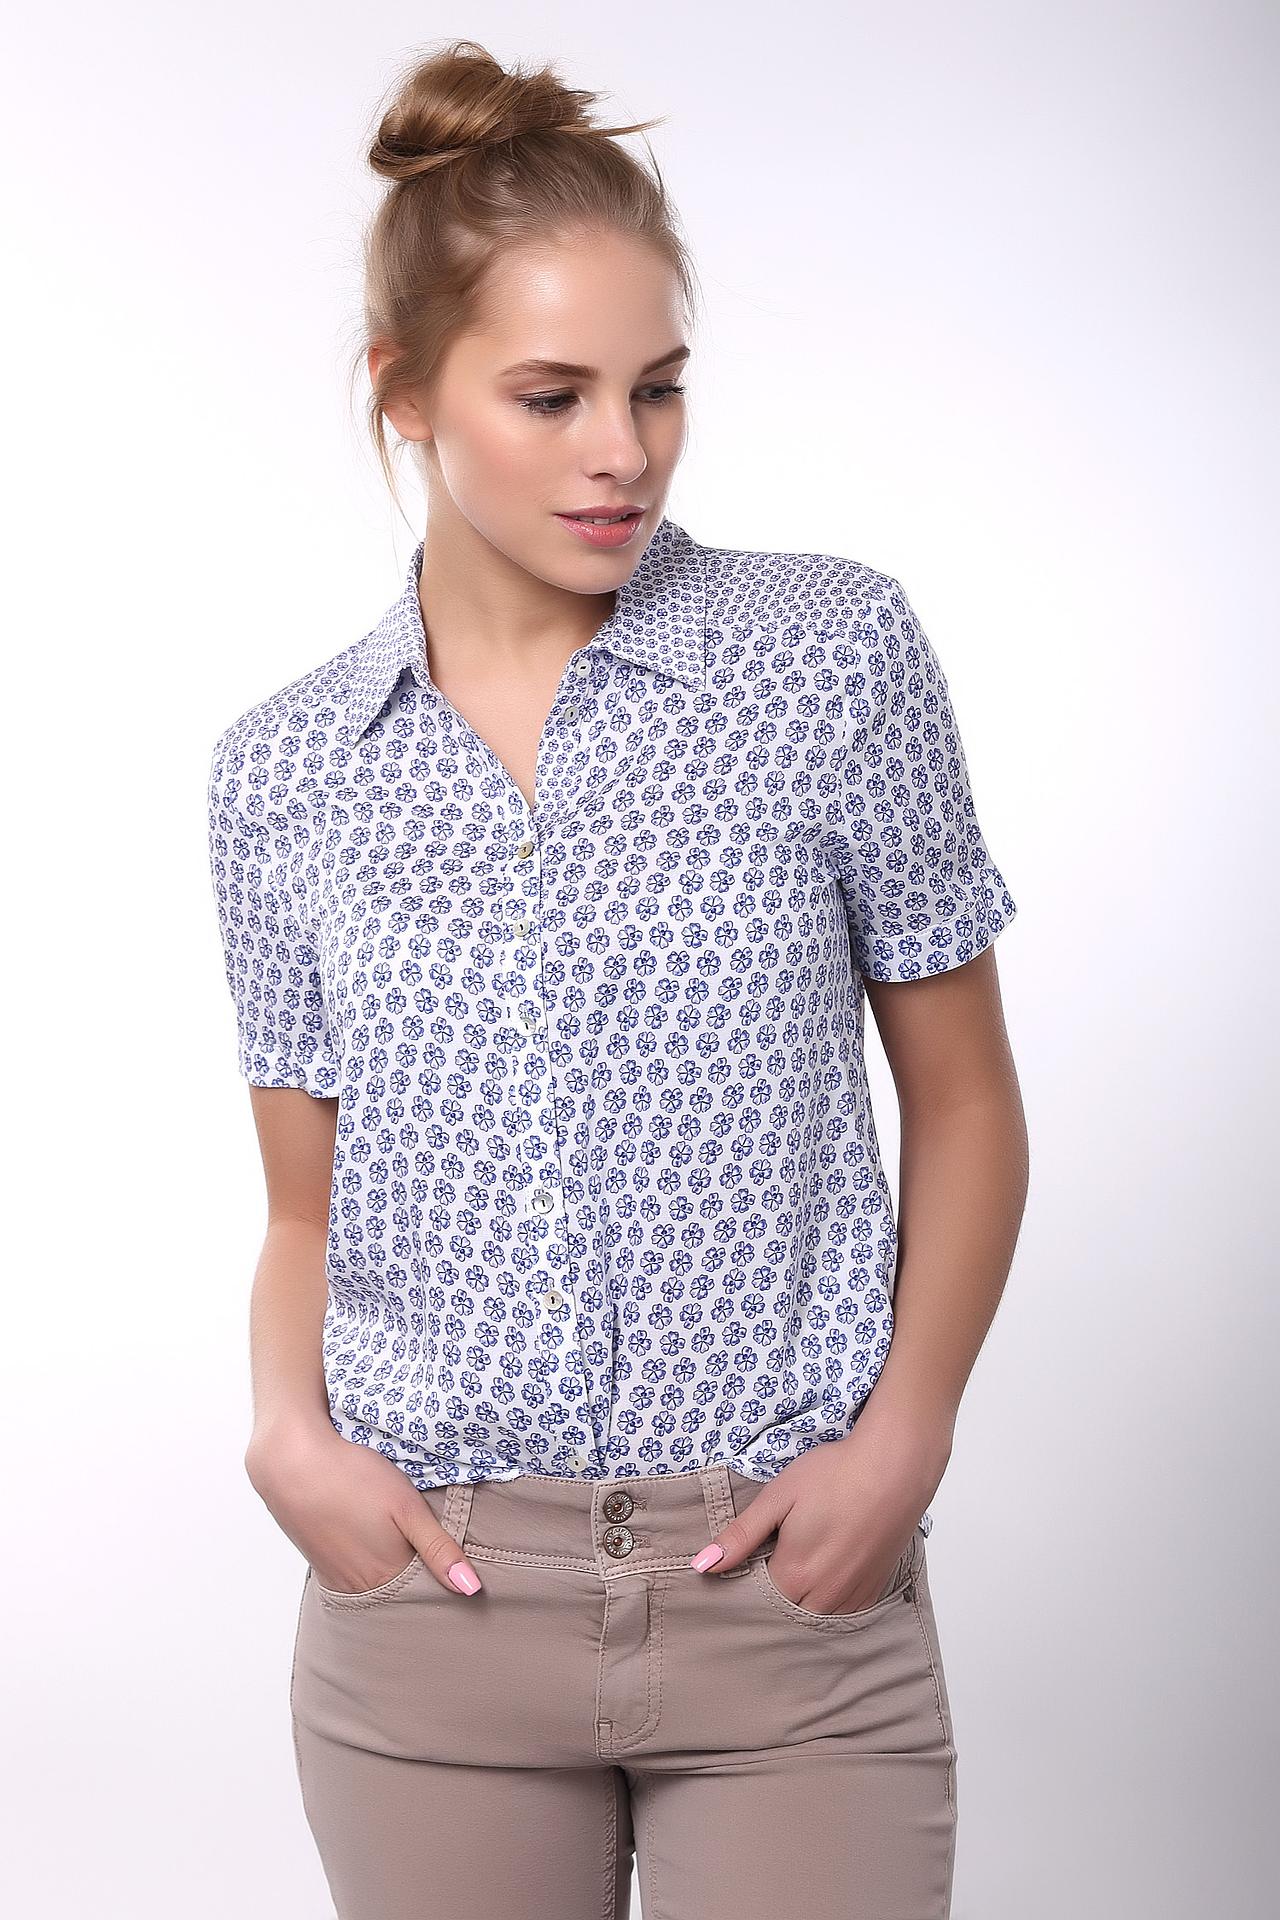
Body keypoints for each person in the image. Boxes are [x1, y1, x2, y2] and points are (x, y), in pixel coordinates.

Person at [206, 37, 1028, 1920]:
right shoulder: (284, 775)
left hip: (788, 1601)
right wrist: (288, 1438)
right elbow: (305, 1202)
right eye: (552, 394)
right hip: (433, 1622)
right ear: (403, 393)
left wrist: (904, 1439)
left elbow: (967, 1097)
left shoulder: (828, 658)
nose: (623, 451)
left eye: (658, 387)